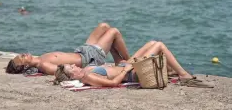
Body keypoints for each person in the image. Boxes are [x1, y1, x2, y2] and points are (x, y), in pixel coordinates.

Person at [55, 41, 214, 88]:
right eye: (72, 68)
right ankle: (184, 75)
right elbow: (113, 83)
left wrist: (123, 64)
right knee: (159, 46)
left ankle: (173, 72)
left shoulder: (86, 70)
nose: (75, 66)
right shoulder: (88, 77)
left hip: (127, 66)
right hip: (132, 72)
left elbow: (110, 70)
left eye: (72, 65)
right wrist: (127, 70)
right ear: (72, 76)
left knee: (151, 43)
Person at [6, 23, 130, 75]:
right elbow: (62, 71)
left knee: (104, 26)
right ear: (25, 66)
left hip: (82, 51)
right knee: (114, 32)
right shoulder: (43, 65)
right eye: (22, 57)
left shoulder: (40, 58)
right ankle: (131, 61)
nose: (23, 54)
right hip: (89, 58)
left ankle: (118, 61)